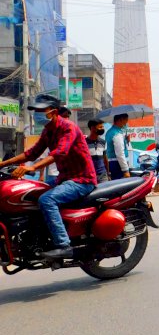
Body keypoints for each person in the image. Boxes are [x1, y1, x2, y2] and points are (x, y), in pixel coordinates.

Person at [0, 94, 97, 258]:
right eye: (35, 110)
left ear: (53, 112)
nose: (37, 114)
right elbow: (32, 153)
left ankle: (64, 245)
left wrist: (31, 168)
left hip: (82, 180)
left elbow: (60, 153)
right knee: (33, 197)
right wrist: (4, 164)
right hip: (64, 180)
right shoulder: (48, 131)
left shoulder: (69, 127)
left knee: (47, 200)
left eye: (40, 110)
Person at [106, 113, 130, 179]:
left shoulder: (110, 131)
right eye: (126, 120)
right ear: (121, 120)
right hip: (118, 164)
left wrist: (126, 140)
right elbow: (120, 153)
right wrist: (125, 170)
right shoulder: (117, 134)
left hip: (114, 163)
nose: (126, 123)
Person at [86, 119, 109, 183]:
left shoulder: (103, 142)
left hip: (103, 174)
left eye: (102, 127)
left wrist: (108, 173)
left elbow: (105, 159)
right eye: (100, 127)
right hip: (90, 175)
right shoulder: (84, 143)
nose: (102, 129)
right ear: (93, 128)